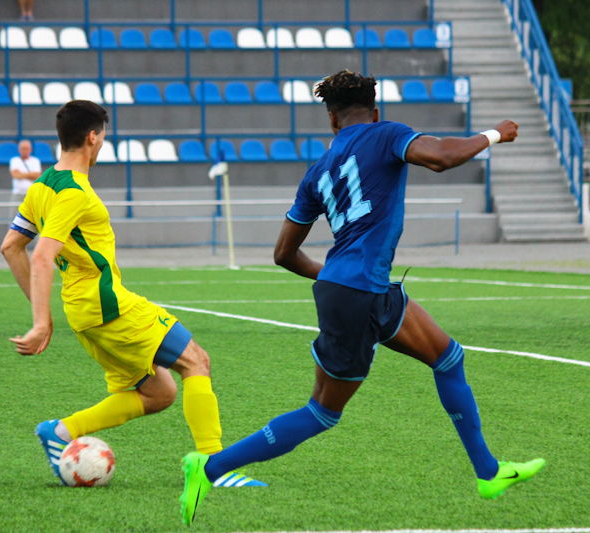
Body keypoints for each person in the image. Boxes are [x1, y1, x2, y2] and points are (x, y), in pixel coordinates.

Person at [179, 71, 545, 525]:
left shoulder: (318, 171)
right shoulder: (386, 134)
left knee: (448, 357)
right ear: (374, 113)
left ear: (332, 120)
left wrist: (335, 277)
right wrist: (495, 134)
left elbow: (283, 254)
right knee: (322, 413)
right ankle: (209, 467)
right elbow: (442, 157)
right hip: (359, 292)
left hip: (364, 289)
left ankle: (489, 473)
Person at [0, 100, 264, 488]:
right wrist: (41, 321)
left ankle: (60, 431)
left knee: (160, 392)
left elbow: (11, 246)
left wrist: (48, 316)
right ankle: (213, 469)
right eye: (103, 136)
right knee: (196, 361)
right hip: (106, 305)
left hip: (83, 311)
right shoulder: (74, 191)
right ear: (93, 137)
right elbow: (40, 255)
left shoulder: (41, 186)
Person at [9, 140, 42, 213]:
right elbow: (15, 175)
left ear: (31, 150)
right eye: (23, 149)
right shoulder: (14, 160)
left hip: (31, 194)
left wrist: (22, 174)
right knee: (14, 214)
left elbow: (37, 176)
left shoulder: (35, 161)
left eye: (26, 149)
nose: (24, 151)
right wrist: (31, 174)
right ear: (19, 150)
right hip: (18, 193)